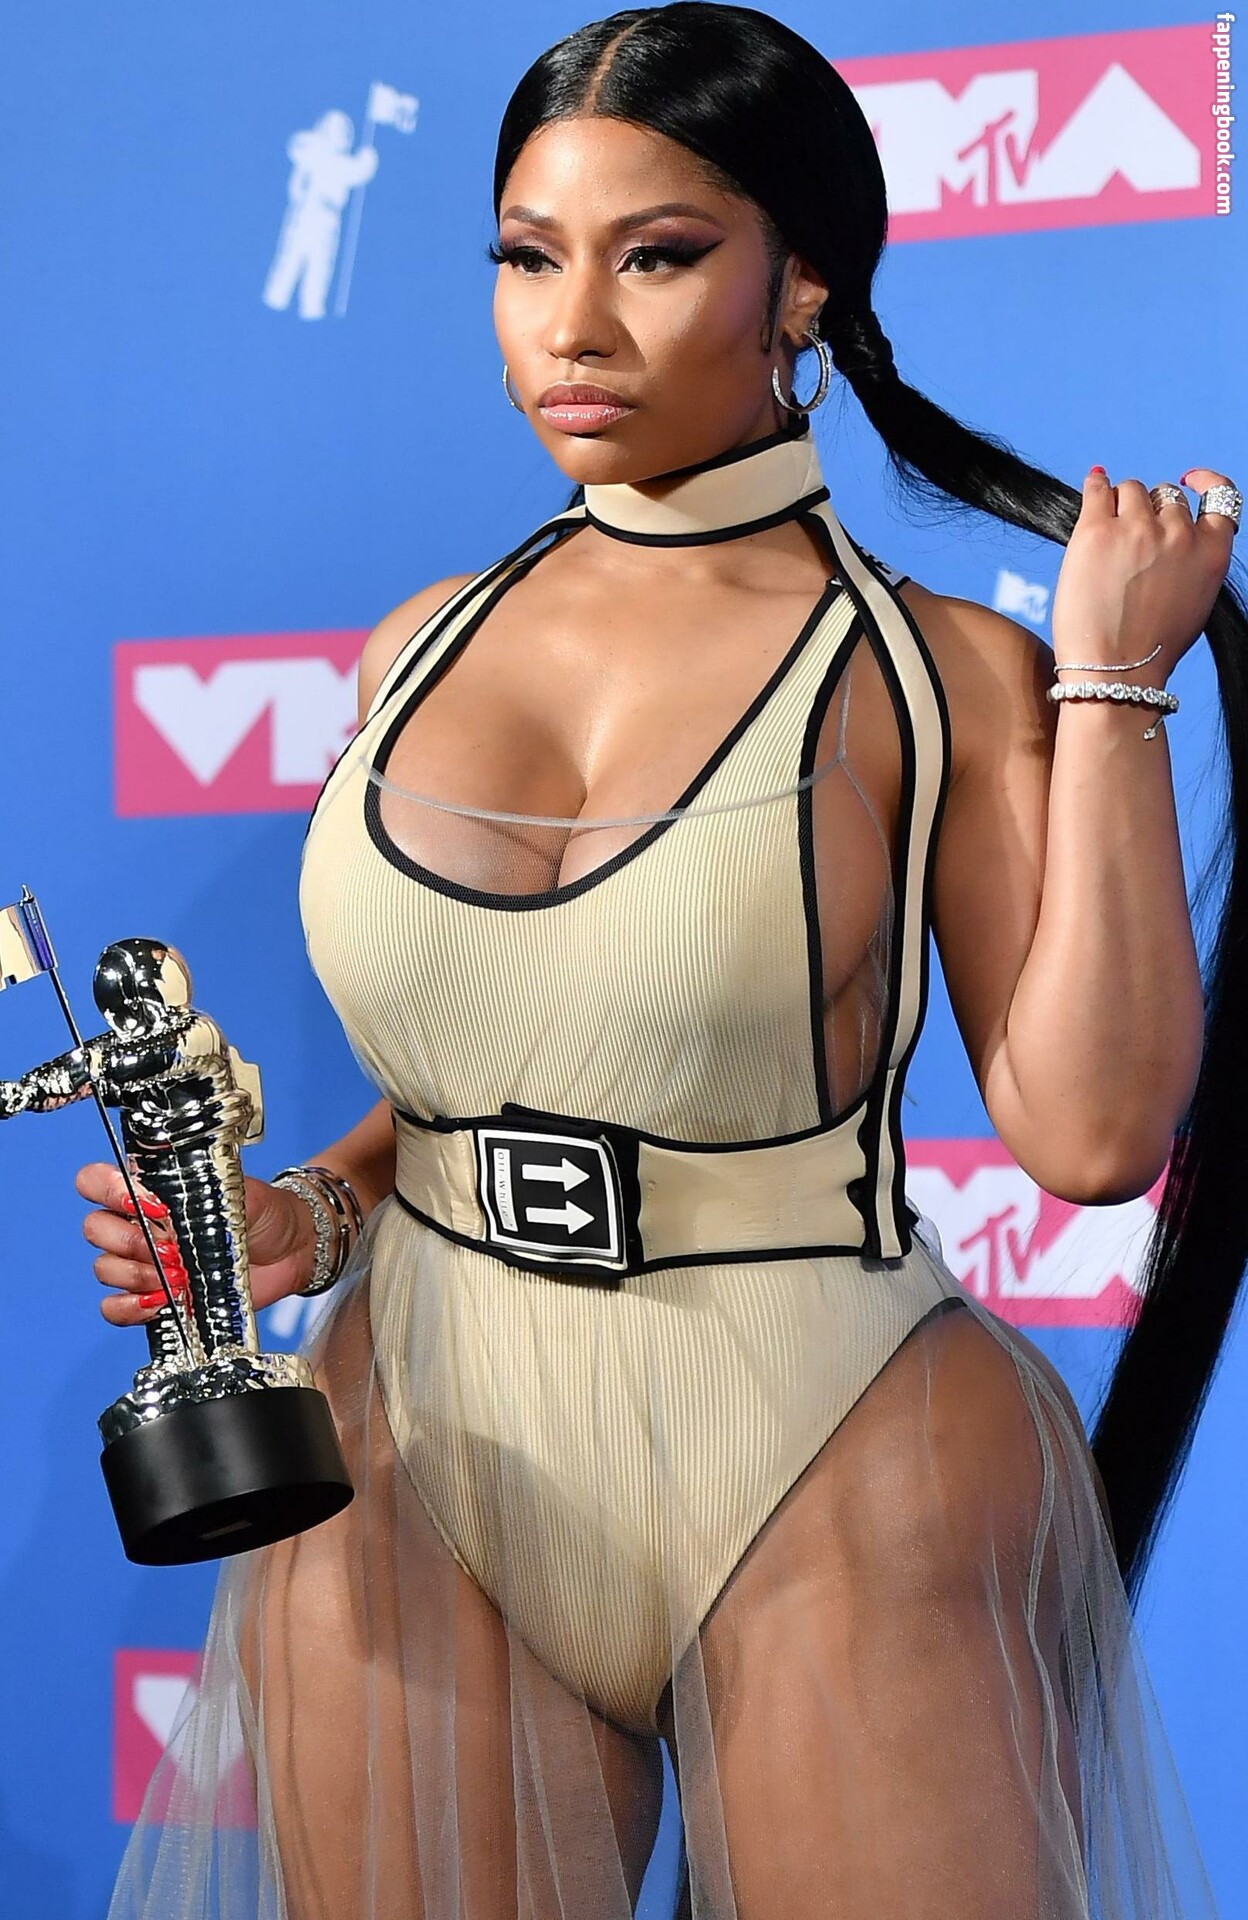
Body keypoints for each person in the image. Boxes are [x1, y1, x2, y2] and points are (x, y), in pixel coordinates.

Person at [84, 6, 1245, 1916]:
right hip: (418, 1434)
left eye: (658, 256)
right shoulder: (413, 648)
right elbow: (487, 1069)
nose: (576, 328)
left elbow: (1094, 1133)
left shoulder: (940, 670)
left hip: (831, 1433)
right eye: (527, 257)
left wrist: (1113, 682)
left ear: (804, 284)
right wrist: (310, 1213)